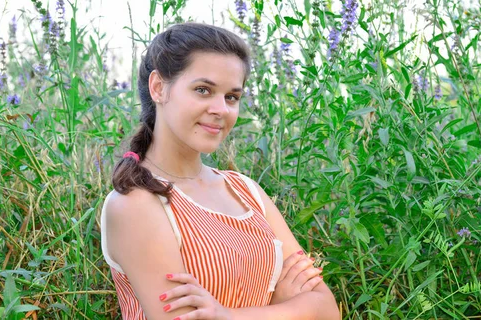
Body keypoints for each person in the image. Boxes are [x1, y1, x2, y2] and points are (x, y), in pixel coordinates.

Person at [100, 22, 340, 319]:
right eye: (203, 90)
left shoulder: (246, 191)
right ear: (159, 88)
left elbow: (328, 310)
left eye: (232, 97)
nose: (221, 109)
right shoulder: (136, 203)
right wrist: (280, 307)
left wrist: (227, 316)